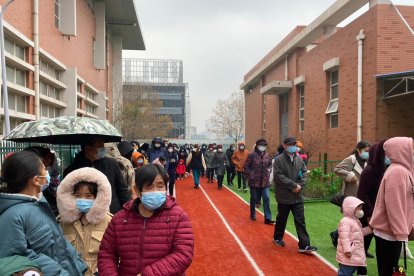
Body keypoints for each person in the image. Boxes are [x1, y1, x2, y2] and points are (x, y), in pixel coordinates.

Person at [0, 151, 87, 275]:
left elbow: (57, 242)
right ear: (36, 180)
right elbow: (18, 261)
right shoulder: (13, 215)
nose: (47, 173)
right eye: (44, 170)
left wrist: (78, 264)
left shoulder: (38, 203)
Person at [98, 164, 194, 275]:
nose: (156, 191)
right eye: (149, 187)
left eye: (160, 185)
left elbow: (183, 254)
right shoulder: (120, 219)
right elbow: (107, 254)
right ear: (137, 190)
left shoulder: (178, 217)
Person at [370, 137, 414, 276]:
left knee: (388, 269)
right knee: (388, 270)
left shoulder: (402, 170)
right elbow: (394, 205)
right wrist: (401, 233)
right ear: (402, 150)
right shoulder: (397, 172)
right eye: (410, 148)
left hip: (391, 232)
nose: (412, 152)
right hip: (390, 233)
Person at [57, 167, 112, 276]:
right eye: (78, 196)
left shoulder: (108, 221)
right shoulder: (63, 222)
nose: (83, 199)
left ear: (97, 198)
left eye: (88, 196)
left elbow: (115, 254)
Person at [63, 137, 131, 214]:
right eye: (100, 147)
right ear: (88, 148)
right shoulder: (74, 168)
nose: (103, 149)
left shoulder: (111, 164)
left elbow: (122, 190)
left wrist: (129, 210)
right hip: (84, 214)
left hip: (111, 213)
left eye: (103, 146)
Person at [273, 137, 317, 253]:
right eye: (290, 144)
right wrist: (293, 185)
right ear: (284, 145)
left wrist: (299, 185)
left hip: (297, 196)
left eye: (294, 144)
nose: (293, 146)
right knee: (282, 218)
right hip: (284, 195)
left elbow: (304, 173)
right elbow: (279, 177)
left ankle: (304, 245)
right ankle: (277, 237)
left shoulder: (298, 159)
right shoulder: (278, 160)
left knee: (300, 220)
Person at [357, 140, 388, 261]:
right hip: (369, 212)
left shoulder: (383, 169)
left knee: (374, 239)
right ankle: (360, 266)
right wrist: (369, 214)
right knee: (364, 239)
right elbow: (362, 194)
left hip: (378, 211)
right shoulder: (369, 170)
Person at [336, 196, 372, 276]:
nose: (361, 210)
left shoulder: (355, 220)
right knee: (345, 273)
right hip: (349, 254)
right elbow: (344, 238)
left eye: (361, 208)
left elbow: (359, 233)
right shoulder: (345, 221)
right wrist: (348, 250)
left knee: (349, 272)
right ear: (350, 208)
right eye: (358, 208)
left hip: (354, 255)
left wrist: (370, 229)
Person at [243, 138, 274, 224]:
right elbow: (246, 166)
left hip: (265, 181)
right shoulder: (251, 155)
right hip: (254, 181)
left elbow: (270, 165)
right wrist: (251, 174)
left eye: (264, 145)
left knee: (266, 198)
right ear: (257, 146)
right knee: (254, 198)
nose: (262, 147)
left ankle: (268, 218)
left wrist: (269, 170)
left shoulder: (267, 155)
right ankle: (253, 213)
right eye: (261, 145)